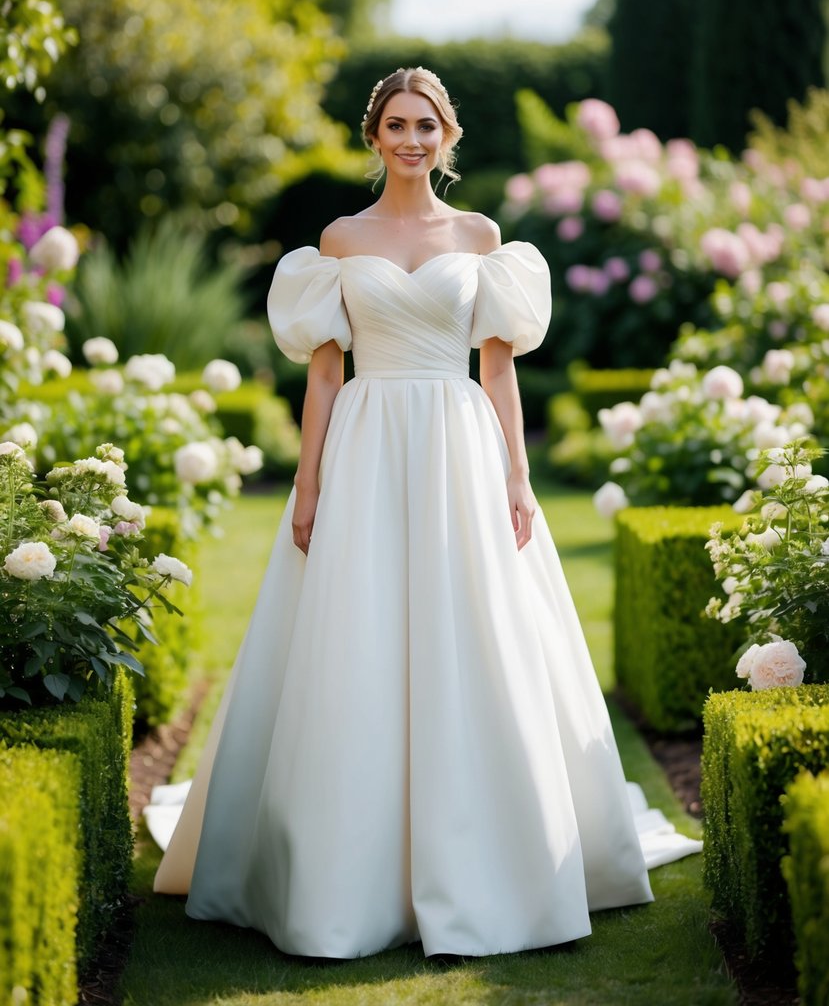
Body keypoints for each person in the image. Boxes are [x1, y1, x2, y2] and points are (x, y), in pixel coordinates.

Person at [148, 65, 660, 960]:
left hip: (459, 444)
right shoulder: (338, 240)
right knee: (357, 633)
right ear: (374, 135)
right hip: (367, 440)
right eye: (396, 124)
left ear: (447, 136)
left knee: (474, 633)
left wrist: (517, 477)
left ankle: (488, 861)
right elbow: (322, 373)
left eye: (426, 124)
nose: (412, 138)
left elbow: (496, 370)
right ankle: (342, 867)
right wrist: (307, 484)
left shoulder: (482, 236)